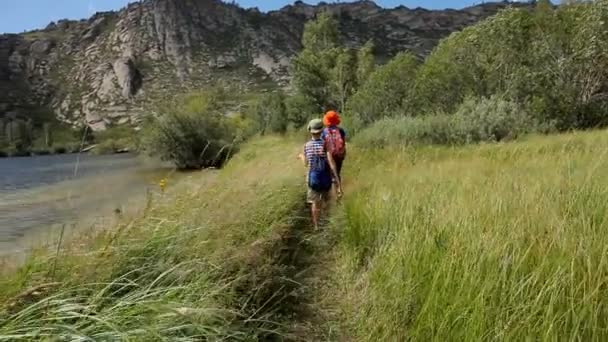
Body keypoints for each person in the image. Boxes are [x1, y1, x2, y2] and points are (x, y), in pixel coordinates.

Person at [299, 118, 343, 229]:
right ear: (321, 130)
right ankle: (326, 222)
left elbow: (306, 164)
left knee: (314, 202)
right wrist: (337, 182)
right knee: (327, 201)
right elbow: (331, 163)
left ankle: (316, 225)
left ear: (310, 130)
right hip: (326, 178)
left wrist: (301, 156)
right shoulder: (326, 144)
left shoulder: (306, 145)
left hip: (313, 179)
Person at [321, 110, 346, 195]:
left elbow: (323, 145)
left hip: (329, 155)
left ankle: (332, 193)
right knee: (337, 172)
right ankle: (339, 190)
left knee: (331, 173)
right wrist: (343, 154)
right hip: (339, 155)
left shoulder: (324, 132)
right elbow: (343, 143)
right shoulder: (341, 130)